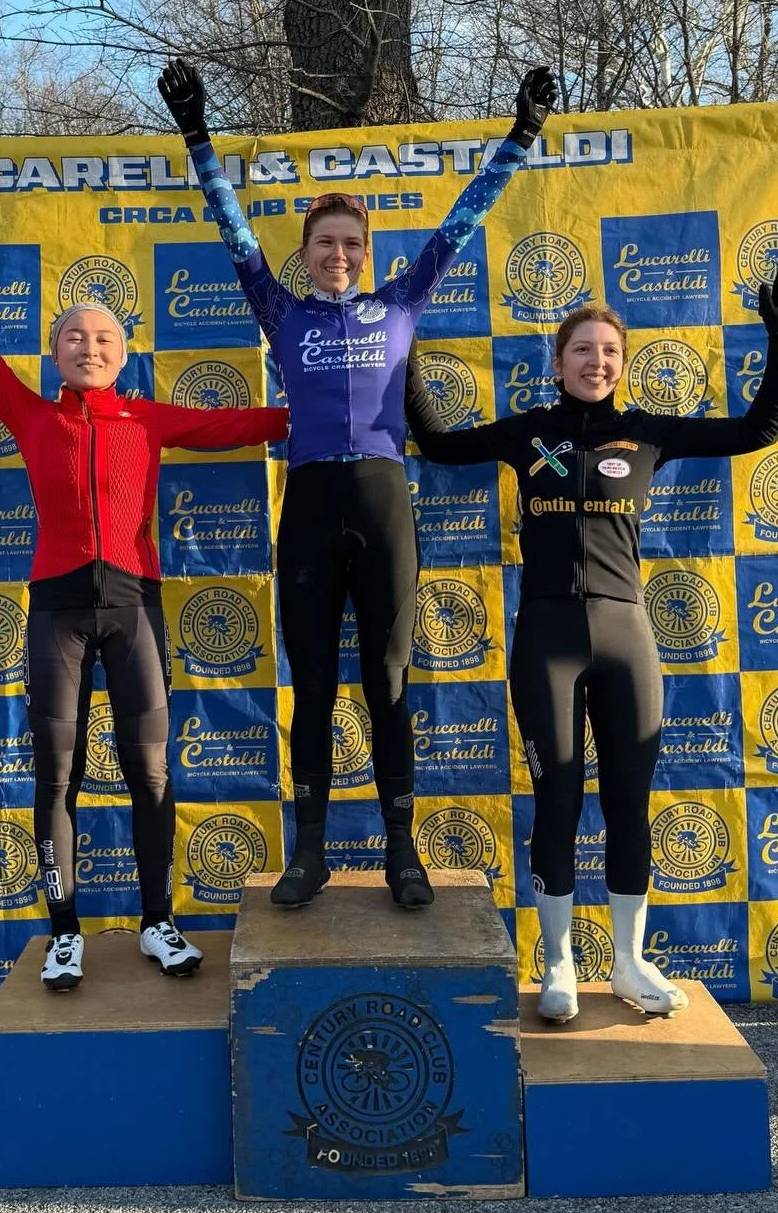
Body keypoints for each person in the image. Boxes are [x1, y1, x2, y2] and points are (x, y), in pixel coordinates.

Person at [0, 184, 289, 991]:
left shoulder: (148, 419)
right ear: (54, 351)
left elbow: (249, 424)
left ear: (122, 354)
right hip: (56, 609)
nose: (89, 348)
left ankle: (159, 923)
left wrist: (346, 409)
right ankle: (65, 933)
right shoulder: (29, 413)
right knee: (57, 776)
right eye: (74, 337)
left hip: (136, 609)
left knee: (151, 773)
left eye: (103, 338)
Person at [158, 59, 557, 910]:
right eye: (324, 244)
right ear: (304, 255)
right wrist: (198, 135)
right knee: (311, 684)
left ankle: (402, 853)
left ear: (367, 256)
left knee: (389, 680)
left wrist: (519, 137)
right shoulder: (281, 310)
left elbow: (462, 222)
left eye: (351, 245)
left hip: (383, 503)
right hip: (308, 506)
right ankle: (310, 854)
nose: (338, 255)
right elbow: (231, 227)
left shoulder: (401, 306)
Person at [406, 260, 778, 1018]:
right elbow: (436, 445)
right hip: (548, 636)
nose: (597, 362)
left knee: (630, 800)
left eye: (609, 352)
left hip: (627, 633)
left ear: (620, 365)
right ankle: (558, 963)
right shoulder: (528, 431)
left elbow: (758, 430)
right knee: (558, 797)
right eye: (583, 350)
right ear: (557, 362)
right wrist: (399, 344)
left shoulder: (648, 434)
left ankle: (630, 963)